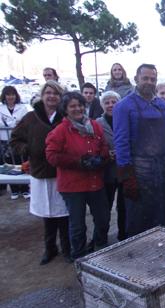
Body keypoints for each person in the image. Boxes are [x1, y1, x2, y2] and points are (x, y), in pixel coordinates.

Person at [10, 81, 69, 265]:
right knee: (47, 213)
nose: (52, 96)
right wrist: (28, 149)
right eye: (48, 93)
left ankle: (67, 248)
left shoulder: (65, 117)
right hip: (41, 173)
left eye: (56, 93)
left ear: (60, 97)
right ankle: (50, 248)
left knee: (64, 214)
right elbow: (15, 139)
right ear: (42, 95)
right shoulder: (30, 118)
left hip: (62, 172)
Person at [45, 92, 110, 261]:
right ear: (65, 110)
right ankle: (79, 256)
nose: (78, 108)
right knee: (78, 224)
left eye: (80, 105)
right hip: (73, 185)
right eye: (72, 106)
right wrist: (79, 161)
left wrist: (101, 158)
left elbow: (103, 145)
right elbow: (52, 155)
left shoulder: (95, 126)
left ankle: (100, 247)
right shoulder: (60, 130)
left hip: (95, 182)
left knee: (103, 219)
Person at [113, 64, 165, 237]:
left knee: (161, 213)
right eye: (145, 78)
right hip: (138, 170)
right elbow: (121, 142)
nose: (149, 82)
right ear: (136, 79)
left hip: (161, 168)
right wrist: (127, 177)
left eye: (152, 79)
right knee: (138, 217)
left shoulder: (162, 105)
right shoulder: (123, 106)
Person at [96, 91, 126, 241]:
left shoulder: (126, 119)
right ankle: (101, 238)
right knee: (104, 207)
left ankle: (123, 235)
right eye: (107, 102)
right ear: (102, 105)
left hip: (124, 171)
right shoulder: (97, 123)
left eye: (114, 102)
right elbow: (93, 146)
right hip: (106, 172)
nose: (110, 105)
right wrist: (107, 153)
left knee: (123, 206)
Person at [0, 86, 30, 199]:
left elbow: (24, 121)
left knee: (21, 161)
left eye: (12, 94)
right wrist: (13, 123)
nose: (10, 97)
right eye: (8, 95)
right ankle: (14, 190)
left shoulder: (22, 108)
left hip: (19, 139)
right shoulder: (1, 108)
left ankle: (25, 189)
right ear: (4, 96)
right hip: (5, 140)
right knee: (9, 164)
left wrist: (12, 123)